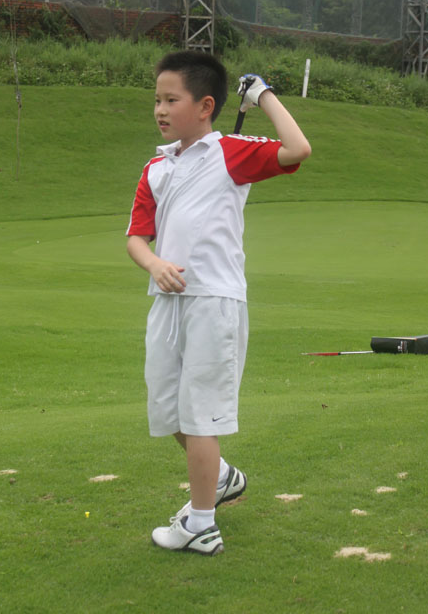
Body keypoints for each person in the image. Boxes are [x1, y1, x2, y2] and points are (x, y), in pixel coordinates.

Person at [126, 50, 311, 556]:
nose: (160, 109)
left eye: (172, 100)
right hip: (167, 304)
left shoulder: (231, 152)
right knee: (169, 412)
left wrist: (263, 95)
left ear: (205, 106)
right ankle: (222, 476)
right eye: (157, 100)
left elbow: (298, 148)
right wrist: (154, 264)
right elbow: (137, 237)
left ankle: (201, 524)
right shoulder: (156, 167)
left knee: (200, 414)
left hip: (214, 301)